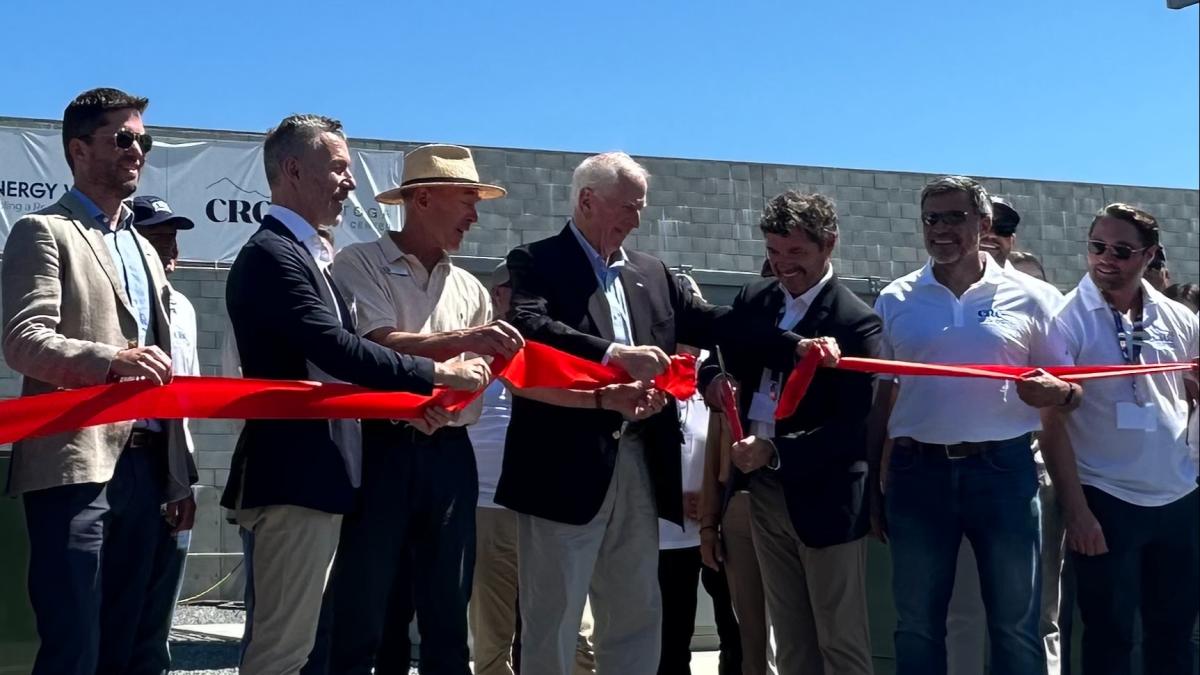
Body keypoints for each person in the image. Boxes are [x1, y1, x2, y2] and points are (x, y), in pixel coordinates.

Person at [499, 152, 808, 675]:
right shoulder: (536, 261)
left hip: (641, 460)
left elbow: (708, 322)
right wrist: (614, 355)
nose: (638, 219)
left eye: (641, 207)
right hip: (561, 467)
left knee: (636, 611)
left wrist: (791, 341)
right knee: (552, 614)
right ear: (587, 200)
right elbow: (530, 326)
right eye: (629, 206)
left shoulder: (653, 272)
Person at [222, 115, 486, 675]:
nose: (350, 182)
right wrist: (433, 375)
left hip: (326, 475)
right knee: (284, 652)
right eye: (339, 168)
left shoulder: (306, 256)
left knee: (305, 646)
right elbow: (338, 348)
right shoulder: (274, 255)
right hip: (294, 476)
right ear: (293, 170)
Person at [304, 143, 520, 675]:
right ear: (421, 199)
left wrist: (446, 399)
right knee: (369, 613)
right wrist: (460, 349)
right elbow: (374, 345)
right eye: (466, 200)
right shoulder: (359, 263)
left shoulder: (468, 286)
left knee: (448, 614)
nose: (474, 215)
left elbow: (479, 370)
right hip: (381, 450)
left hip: (451, 455)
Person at [1, 87, 196, 675]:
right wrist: (112, 359)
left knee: (127, 650)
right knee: (74, 649)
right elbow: (23, 340)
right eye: (124, 138)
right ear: (78, 149)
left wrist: (179, 474)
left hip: (148, 470)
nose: (138, 150)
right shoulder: (42, 230)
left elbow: (170, 369)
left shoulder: (144, 248)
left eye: (145, 140)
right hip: (74, 469)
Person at [867, 175, 1081, 675]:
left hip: (1003, 472)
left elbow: (1072, 390)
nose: (940, 229)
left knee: (1016, 625)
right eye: (931, 219)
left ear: (983, 223)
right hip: (917, 474)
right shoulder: (896, 299)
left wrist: (1058, 392)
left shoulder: (1034, 297)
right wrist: (874, 486)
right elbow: (883, 398)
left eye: (954, 217)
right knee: (916, 625)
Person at [701, 191, 879, 675]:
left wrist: (774, 451)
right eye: (774, 252)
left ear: (829, 244)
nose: (783, 264)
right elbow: (717, 358)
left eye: (796, 252)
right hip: (761, 493)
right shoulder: (753, 299)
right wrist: (713, 382)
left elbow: (852, 427)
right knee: (791, 639)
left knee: (840, 641)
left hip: (826, 499)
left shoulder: (857, 322)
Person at [1039, 203, 1199, 675]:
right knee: (1110, 637)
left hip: (1179, 495)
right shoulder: (1065, 317)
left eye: (1122, 250)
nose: (1106, 258)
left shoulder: (1178, 316)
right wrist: (1077, 511)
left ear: (1149, 255)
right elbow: (1051, 423)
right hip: (1105, 498)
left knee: (1174, 635)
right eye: (1097, 247)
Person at [947, 196, 1069, 675]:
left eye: (1001, 227)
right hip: (959, 468)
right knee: (963, 612)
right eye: (981, 224)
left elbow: (1067, 397)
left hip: (1032, 472)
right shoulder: (935, 299)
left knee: (1036, 611)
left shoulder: (1037, 295)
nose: (990, 235)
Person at [468, 261, 597, 675]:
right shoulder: (471, 348)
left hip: (547, 505)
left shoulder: (554, 347)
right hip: (488, 507)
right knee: (493, 634)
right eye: (518, 288)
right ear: (498, 294)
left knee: (573, 632)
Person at [131, 194, 203, 671]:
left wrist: (186, 481)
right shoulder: (122, 303)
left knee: (158, 617)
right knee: (118, 608)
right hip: (125, 463)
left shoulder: (185, 309)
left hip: (170, 466)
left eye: (173, 239)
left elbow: (188, 399)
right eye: (158, 239)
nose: (171, 250)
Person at [658, 275, 742, 675]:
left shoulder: (719, 376)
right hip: (665, 536)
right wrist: (668, 499)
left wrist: (713, 503)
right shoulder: (648, 378)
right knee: (670, 640)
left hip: (721, 531)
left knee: (736, 634)